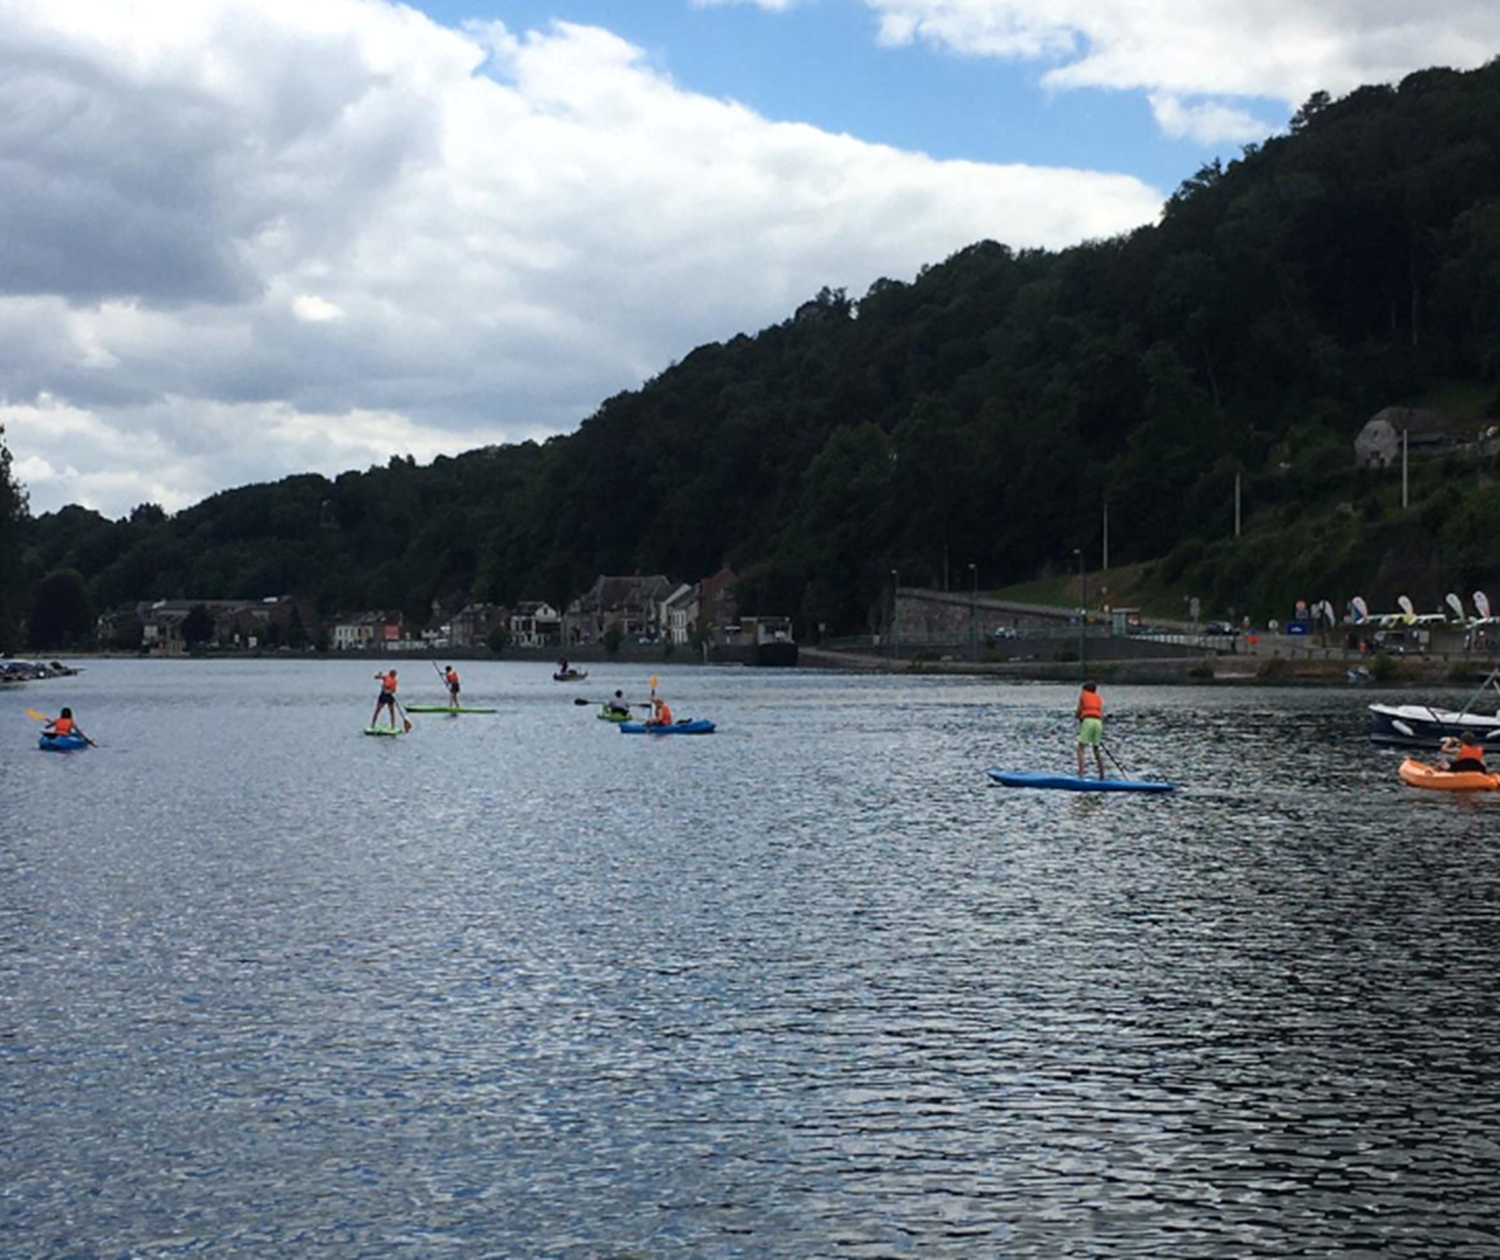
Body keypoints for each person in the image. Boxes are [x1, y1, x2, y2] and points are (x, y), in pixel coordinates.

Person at [1075, 680, 1105, 779]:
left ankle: (1081, 775)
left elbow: (1079, 711)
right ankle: (1102, 775)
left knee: (1080, 748)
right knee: (1096, 749)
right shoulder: (1098, 698)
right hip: (1098, 723)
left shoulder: (1083, 696)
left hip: (1088, 722)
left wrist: (1078, 717)